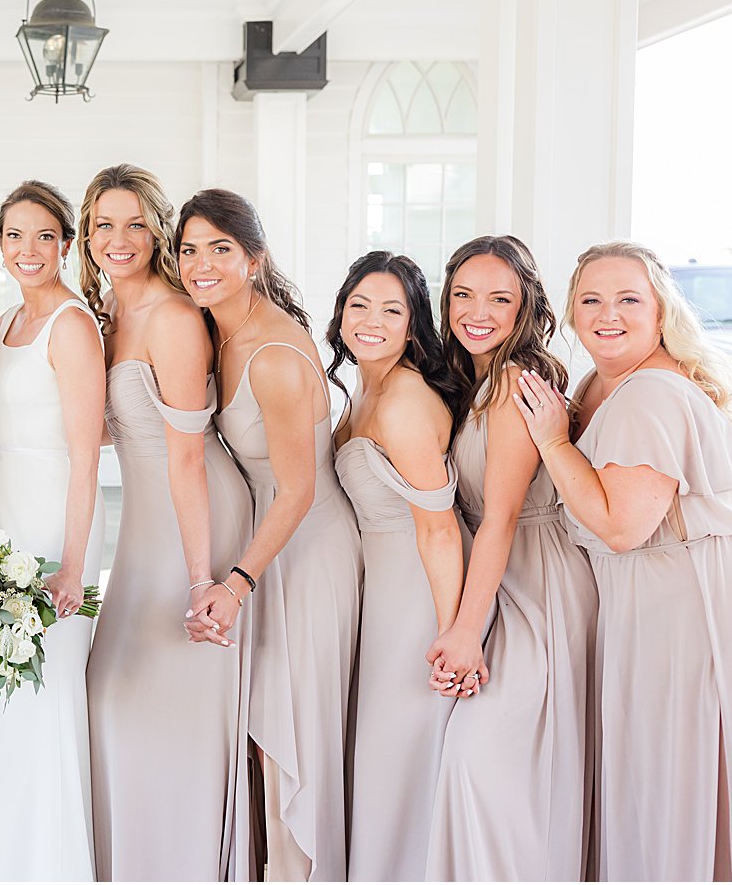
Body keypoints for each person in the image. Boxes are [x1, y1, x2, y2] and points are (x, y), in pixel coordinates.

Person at [516, 241, 732, 882]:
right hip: (659, 596)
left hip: (693, 597)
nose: (609, 314)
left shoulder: (649, 393)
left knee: (674, 774)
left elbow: (622, 525)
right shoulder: (598, 385)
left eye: (629, 298)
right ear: (572, 314)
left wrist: (551, 440)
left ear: (661, 312)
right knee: (662, 773)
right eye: (591, 300)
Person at [175, 188, 362, 881]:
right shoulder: (215, 330)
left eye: (220, 249)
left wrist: (236, 581)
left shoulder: (275, 352)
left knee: (292, 739)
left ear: (254, 259)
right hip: (269, 545)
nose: (202, 263)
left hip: (307, 550)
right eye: (190, 249)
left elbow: (299, 488)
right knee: (263, 737)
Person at [78, 168, 254, 881]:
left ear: (158, 232)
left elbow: (186, 456)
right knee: (110, 701)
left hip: (195, 516)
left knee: (158, 709)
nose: (118, 240)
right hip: (148, 520)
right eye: (103, 226)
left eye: (134, 225)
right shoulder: (109, 319)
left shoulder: (175, 318)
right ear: (87, 236)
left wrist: (202, 576)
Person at [424, 235, 597, 880]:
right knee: (495, 769)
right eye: (464, 295)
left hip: (538, 581)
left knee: (484, 760)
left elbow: (498, 519)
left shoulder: (521, 380)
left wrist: (466, 633)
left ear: (525, 304)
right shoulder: (469, 378)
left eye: (500, 298)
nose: (479, 311)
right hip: (498, 577)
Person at [0, 179, 106, 882]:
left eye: (44, 236)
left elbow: (87, 458)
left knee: (45, 703)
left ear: (65, 245)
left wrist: (74, 569)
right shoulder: (5, 323)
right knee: (7, 710)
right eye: (14, 236)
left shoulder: (73, 326)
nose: (28, 249)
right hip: (6, 533)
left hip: (55, 537)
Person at [328, 250, 468, 882]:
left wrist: (453, 633)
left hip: (415, 596)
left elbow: (440, 530)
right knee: (382, 753)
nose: (372, 320)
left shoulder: (404, 400)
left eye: (392, 309)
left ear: (414, 325)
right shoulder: (366, 387)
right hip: (379, 593)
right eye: (360, 304)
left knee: (402, 751)